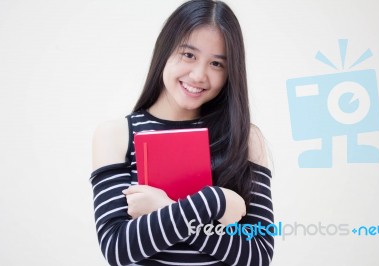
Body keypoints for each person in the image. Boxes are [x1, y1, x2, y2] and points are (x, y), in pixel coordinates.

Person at [90, 0, 274, 265]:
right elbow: (118, 248)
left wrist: (164, 208)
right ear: (165, 51)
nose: (199, 75)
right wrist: (214, 201)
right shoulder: (116, 135)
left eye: (217, 64)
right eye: (189, 55)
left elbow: (258, 255)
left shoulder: (245, 138)